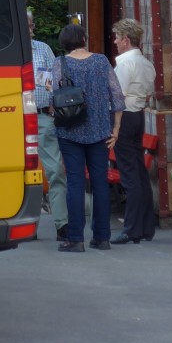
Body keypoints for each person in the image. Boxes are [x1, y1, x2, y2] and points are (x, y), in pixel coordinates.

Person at [53, 23, 124, 253]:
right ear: (84, 38)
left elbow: (55, 96)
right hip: (100, 131)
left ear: (64, 42)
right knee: (100, 183)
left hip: (70, 131)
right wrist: (116, 128)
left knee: (75, 184)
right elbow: (117, 96)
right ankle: (102, 238)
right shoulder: (101, 61)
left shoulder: (60, 63)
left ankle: (75, 239)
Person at [111, 18, 157, 244]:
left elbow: (117, 98)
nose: (115, 42)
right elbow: (147, 95)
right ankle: (146, 227)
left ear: (126, 40)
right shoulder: (146, 64)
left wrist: (115, 127)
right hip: (138, 115)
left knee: (129, 174)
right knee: (138, 171)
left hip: (125, 117)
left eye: (117, 38)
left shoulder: (125, 64)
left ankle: (131, 229)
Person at [28, 9, 68, 241]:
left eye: (31, 25)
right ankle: (26, 223)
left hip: (42, 117)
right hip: (13, 119)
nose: (31, 29)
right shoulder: (6, 53)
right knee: (22, 173)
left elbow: (52, 83)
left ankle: (61, 224)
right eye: (27, 25)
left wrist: (53, 103)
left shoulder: (42, 50)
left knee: (54, 171)